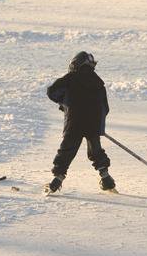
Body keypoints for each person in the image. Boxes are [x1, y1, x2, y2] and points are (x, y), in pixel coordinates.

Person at [45, 51, 116, 194]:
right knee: (96, 151)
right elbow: (105, 107)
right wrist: (98, 125)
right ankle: (106, 178)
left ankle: (57, 179)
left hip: (74, 123)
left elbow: (52, 91)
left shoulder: (70, 78)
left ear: (76, 64)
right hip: (93, 125)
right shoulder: (98, 82)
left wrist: (65, 103)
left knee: (67, 150)